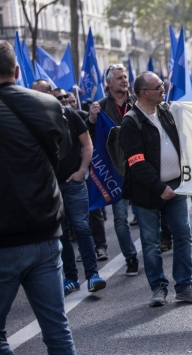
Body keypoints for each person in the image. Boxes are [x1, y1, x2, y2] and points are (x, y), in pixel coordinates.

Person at [0, 40, 76, 354]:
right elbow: (62, 155)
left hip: (5, 240)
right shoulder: (50, 105)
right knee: (57, 331)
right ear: (17, 70)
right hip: (46, 234)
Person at [121, 71, 192, 306]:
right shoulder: (131, 121)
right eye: (158, 86)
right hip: (148, 192)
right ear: (143, 93)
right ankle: (158, 288)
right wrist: (159, 188)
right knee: (151, 242)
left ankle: (184, 286)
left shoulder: (167, 112)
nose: (163, 89)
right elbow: (136, 161)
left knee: (182, 236)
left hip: (176, 187)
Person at [30, 80, 107, 295]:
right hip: (50, 186)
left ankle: (92, 275)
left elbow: (87, 144)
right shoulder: (30, 119)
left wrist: (82, 170)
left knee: (82, 227)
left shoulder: (69, 115)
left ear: (51, 93)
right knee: (61, 232)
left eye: (44, 92)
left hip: (73, 183)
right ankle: (71, 278)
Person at [87, 64, 140, 276]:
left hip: (140, 167)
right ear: (108, 83)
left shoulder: (138, 101)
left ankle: (154, 248)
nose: (124, 80)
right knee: (120, 219)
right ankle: (131, 257)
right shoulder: (99, 107)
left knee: (148, 214)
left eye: (125, 77)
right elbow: (89, 135)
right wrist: (91, 119)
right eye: (119, 78)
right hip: (116, 171)